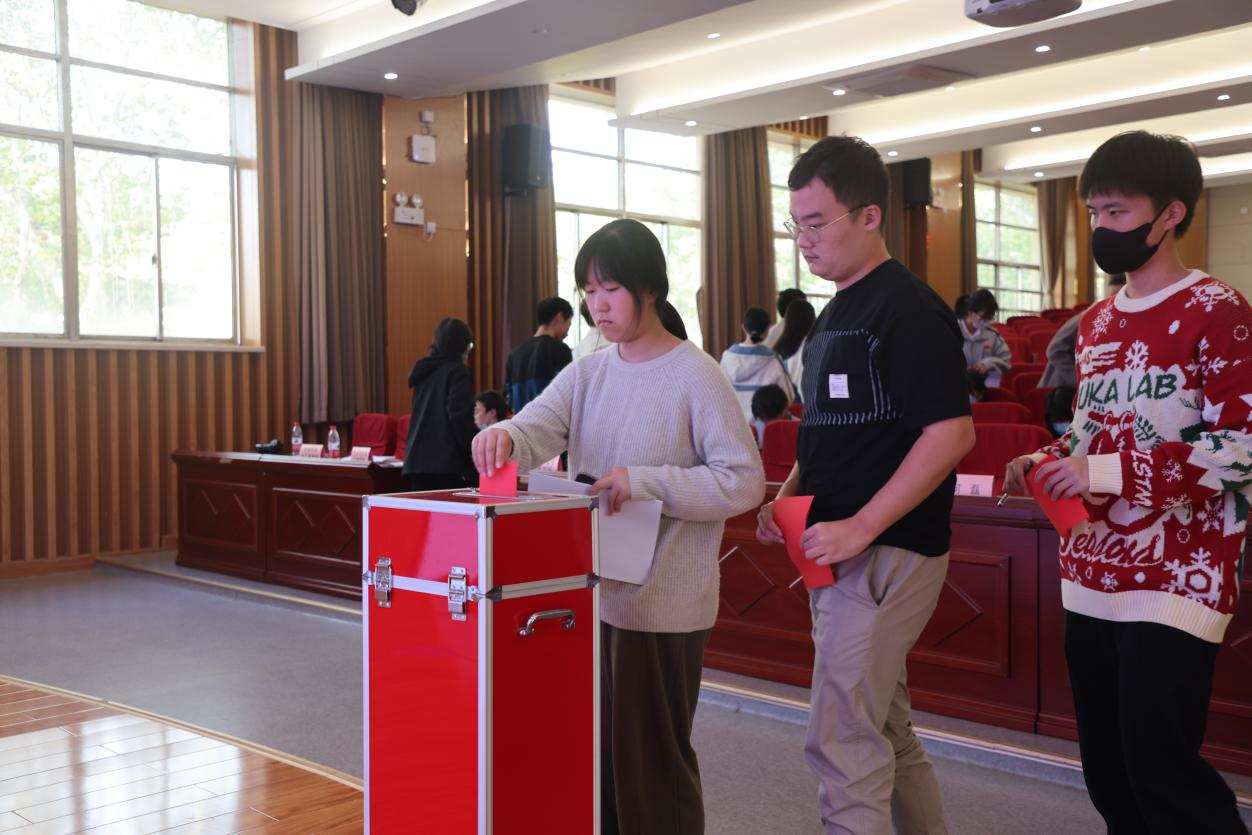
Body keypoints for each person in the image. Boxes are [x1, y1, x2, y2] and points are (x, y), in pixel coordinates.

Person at [472, 218, 764, 835]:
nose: (597, 306)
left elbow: (743, 481)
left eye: (610, 289)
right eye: (588, 291)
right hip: (591, 596)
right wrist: (504, 437)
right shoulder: (589, 372)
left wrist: (647, 482)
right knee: (596, 759)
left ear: (649, 288)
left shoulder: (696, 374)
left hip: (664, 606)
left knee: (654, 769)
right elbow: (534, 429)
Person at [1005, 130, 1252, 834]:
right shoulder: (1097, 323)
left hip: (1179, 577)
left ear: (1171, 213)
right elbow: (1094, 430)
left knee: (1162, 772)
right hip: (1091, 573)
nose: (1101, 227)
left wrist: (1106, 470)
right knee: (1109, 776)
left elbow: (1240, 450)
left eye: (1116, 211)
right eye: (1093, 213)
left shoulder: (1219, 309)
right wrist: (1049, 458)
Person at [755, 135, 974, 835]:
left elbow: (950, 435)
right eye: (796, 225)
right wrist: (788, 495)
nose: (804, 241)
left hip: (885, 551)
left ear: (870, 216)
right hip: (837, 549)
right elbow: (828, 430)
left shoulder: (908, 310)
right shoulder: (833, 314)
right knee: (882, 727)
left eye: (817, 223)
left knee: (841, 738)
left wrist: (861, 526)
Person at [402, 318, 478, 491]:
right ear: (461, 346)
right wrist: (473, 448)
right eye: (469, 346)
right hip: (446, 464)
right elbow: (459, 415)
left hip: (416, 462)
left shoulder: (423, 372)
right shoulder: (457, 372)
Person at [1039, 274, 1127, 389]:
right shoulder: (1087, 317)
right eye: (1113, 297)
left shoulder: (1119, 320)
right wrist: (1078, 379)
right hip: (1061, 387)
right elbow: (1054, 350)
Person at [720, 307, 795, 422]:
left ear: (743, 327)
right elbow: (788, 397)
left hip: (734, 425)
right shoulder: (773, 360)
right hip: (765, 428)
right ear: (767, 331)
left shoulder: (727, 357)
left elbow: (721, 394)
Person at [505, 296, 574, 412]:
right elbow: (566, 395)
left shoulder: (514, 355)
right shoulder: (560, 350)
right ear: (560, 317)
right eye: (569, 323)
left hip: (520, 421)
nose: (567, 333)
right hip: (550, 420)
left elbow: (509, 399)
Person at [956, 288, 1012, 388]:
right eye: (983, 317)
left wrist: (988, 363)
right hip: (958, 385)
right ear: (970, 312)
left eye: (989, 318)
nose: (986, 321)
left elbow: (1006, 360)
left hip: (986, 386)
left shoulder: (992, 335)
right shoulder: (953, 331)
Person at [774, 298, 816, 400]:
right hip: (806, 402)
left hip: (782, 403)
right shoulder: (813, 346)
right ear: (812, 320)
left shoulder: (777, 348)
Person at [750, 383, 794, 448]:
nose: (766, 424)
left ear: (785, 409)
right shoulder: (754, 427)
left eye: (770, 419)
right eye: (763, 420)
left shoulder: (800, 430)